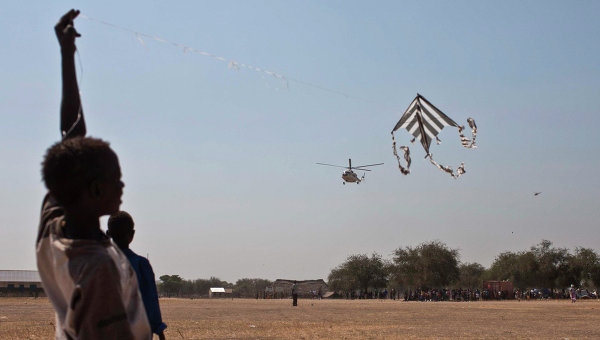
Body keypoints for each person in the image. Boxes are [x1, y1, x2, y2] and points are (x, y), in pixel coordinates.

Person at [37, 9, 151, 339]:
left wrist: (67, 55)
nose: (123, 183)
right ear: (92, 189)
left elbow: (72, 135)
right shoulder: (97, 269)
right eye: (115, 177)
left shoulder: (53, 226)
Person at [107, 211, 167, 339]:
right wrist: (159, 330)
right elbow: (151, 300)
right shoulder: (141, 265)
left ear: (108, 234)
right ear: (132, 234)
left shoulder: (99, 264)